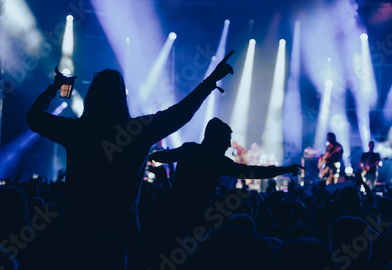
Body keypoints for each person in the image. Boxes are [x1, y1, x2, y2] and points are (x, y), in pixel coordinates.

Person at [26, 51, 234, 268]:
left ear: (92, 97)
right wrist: (210, 81)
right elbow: (181, 113)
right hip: (124, 235)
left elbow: (34, 118)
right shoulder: (136, 131)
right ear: (121, 98)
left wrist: (54, 88)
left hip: (76, 235)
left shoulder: (78, 130)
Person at [148, 117, 303, 231]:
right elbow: (252, 172)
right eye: (226, 140)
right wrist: (284, 170)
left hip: (173, 216)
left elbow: (160, 157)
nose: (229, 145)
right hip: (197, 222)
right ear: (215, 138)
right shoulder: (217, 161)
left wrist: (144, 153)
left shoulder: (189, 150)